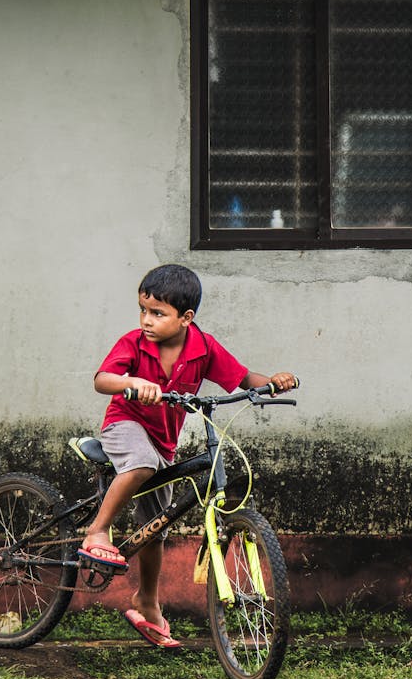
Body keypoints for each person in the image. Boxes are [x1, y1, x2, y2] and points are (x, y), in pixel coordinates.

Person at [80, 264, 298, 649]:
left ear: (186, 318)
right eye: (143, 310)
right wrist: (132, 383)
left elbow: (244, 378)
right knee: (142, 464)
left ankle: (146, 602)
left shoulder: (203, 347)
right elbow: (103, 380)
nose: (147, 320)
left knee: (156, 529)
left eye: (158, 313)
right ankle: (98, 531)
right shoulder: (133, 343)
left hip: (163, 444)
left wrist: (274, 382)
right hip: (125, 425)